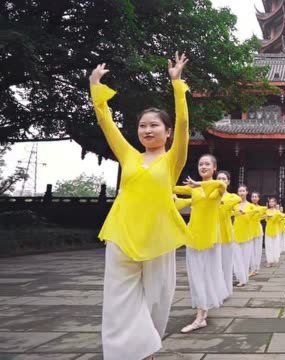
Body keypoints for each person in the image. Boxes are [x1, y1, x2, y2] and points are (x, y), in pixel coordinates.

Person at [89, 52, 190, 360]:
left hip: (159, 237)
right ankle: (124, 353)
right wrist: (95, 86)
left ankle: (147, 348)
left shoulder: (173, 159)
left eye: (155, 126)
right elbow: (106, 123)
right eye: (143, 126)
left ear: (167, 132)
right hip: (122, 234)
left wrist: (176, 84)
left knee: (159, 299)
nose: (147, 130)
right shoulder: (129, 156)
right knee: (119, 298)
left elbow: (185, 122)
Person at [173, 154, 227, 333]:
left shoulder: (216, 187)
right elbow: (174, 187)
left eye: (207, 164)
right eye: (200, 164)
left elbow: (221, 185)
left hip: (210, 237)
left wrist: (200, 184)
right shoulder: (193, 188)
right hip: (193, 236)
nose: (203, 166)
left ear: (214, 168)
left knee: (207, 275)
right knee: (195, 276)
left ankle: (202, 314)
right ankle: (200, 315)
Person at [217, 171, 241, 296]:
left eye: (224, 178)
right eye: (219, 178)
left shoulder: (232, 197)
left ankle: (226, 290)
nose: (221, 180)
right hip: (212, 233)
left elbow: (236, 201)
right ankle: (217, 290)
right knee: (215, 265)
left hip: (226, 233)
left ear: (228, 181)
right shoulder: (210, 195)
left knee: (226, 264)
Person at [232, 185, 257, 287]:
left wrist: (245, 213)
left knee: (245, 257)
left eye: (243, 191)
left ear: (247, 192)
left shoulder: (251, 206)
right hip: (236, 232)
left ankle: (244, 278)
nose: (241, 193)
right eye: (240, 191)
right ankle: (240, 278)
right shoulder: (234, 205)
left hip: (247, 233)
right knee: (236, 257)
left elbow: (254, 217)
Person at [249, 191, 267, 276]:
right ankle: (251, 268)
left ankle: (256, 268)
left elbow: (265, 216)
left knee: (258, 250)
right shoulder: (248, 206)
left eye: (256, 197)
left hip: (257, 228)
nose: (254, 198)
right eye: (253, 196)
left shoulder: (262, 208)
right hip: (249, 229)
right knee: (250, 249)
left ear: (258, 198)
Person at [264, 197, 284, 266]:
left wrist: (279, 212)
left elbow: (281, 219)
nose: (271, 203)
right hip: (268, 229)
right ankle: (269, 261)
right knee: (268, 245)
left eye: (273, 202)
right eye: (270, 202)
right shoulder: (266, 210)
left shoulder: (278, 211)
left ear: (275, 203)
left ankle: (274, 259)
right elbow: (265, 219)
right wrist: (268, 217)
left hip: (276, 229)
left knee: (275, 245)